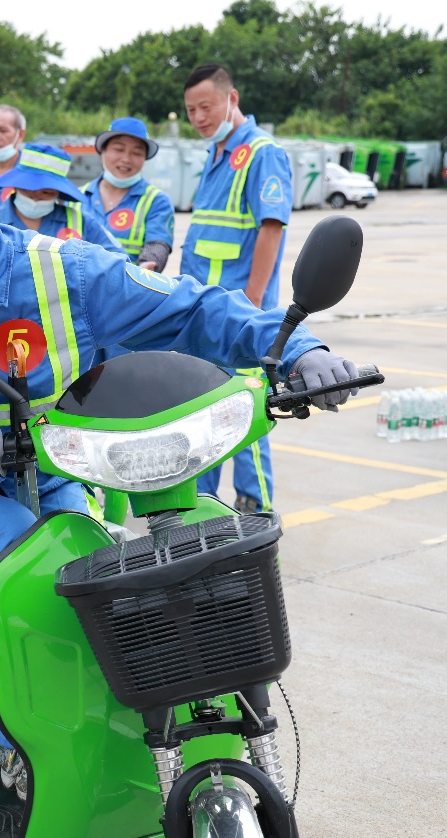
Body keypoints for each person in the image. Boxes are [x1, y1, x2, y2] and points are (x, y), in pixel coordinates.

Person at [0, 136, 358, 802]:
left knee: (101, 566)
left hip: (48, 467)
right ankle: (23, 755)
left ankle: (120, 730)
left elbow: (190, 309)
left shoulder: (67, 272)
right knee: (20, 563)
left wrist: (300, 347)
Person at [180, 63, 294, 514]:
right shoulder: (216, 152)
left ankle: (256, 508)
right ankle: (204, 507)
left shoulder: (261, 151)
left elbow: (271, 229)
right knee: (204, 412)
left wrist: (251, 302)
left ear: (232, 98)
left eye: (205, 106)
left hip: (241, 312)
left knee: (243, 414)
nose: (199, 117)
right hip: (205, 309)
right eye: (190, 110)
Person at [0, 143, 126, 256]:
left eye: (46, 193)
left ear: (58, 193)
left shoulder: (81, 221)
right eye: (28, 189)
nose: (35, 198)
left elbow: (117, 260)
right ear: (15, 186)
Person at [83, 117, 176, 271]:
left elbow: (158, 244)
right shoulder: (76, 197)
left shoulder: (157, 201)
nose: (126, 159)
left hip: (128, 291)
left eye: (137, 153)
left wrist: (148, 265)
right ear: (102, 152)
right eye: (118, 149)